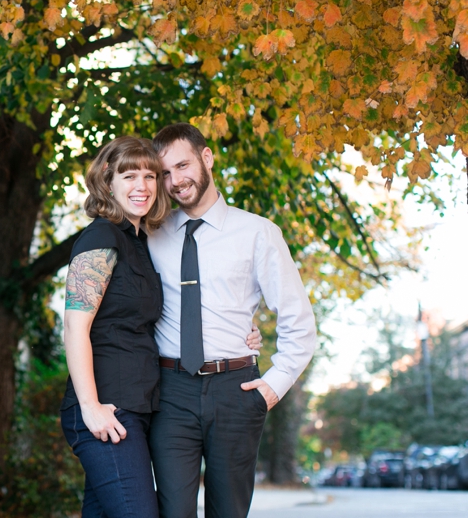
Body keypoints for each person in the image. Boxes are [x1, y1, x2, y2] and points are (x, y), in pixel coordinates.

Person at [61, 137, 262, 518]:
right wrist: (90, 407)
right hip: (107, 409)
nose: (143, 186)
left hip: (139, 407)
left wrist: (244, 332)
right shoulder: (100, 237)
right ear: (108, 178)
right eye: (130, 175)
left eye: (151, 176)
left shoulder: (141, 241)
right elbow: (74, 328)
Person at [146, 123, 317, 518]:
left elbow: (298, 322)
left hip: (236, 390)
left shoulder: (258, 233)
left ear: (206, 158)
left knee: (229, 512)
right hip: (170, 392)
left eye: (182, 165)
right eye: (165, 173)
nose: (175, 181)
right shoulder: (152, 234)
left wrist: (271, 389)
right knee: (171, 512)